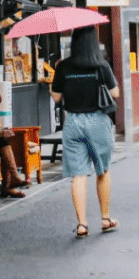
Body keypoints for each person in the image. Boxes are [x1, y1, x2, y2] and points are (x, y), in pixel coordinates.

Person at [50, 25, 119, 238]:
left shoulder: (63, 67)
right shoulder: (102, 66)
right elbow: (115, 93)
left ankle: (81, 224)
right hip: (98, 120)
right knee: (103, 171)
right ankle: (105, 219)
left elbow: (56, 97)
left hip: (73, 122)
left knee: (78, 175)